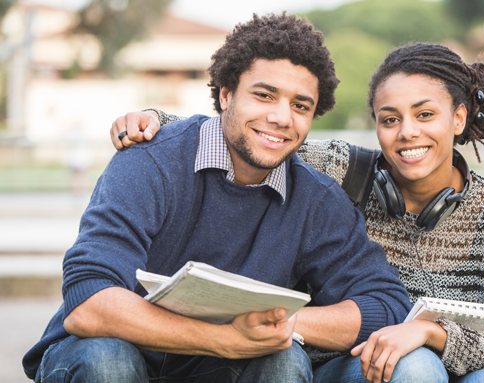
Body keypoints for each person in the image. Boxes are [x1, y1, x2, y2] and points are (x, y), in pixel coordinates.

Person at [112, 43, 484, 383]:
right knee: (415, 369)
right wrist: (153, 119)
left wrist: (433, 334)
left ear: (458, 117)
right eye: (389, 119)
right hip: (343, 364)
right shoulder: (342, 168)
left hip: (446, 361)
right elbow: (260, 135)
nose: (407, 132)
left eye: (425, 115)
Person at [23, 14, 414, 383]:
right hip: (107, 352)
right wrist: (223, 337)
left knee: (284, 356)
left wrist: (281, 324)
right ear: (226, 94)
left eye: (300, 106)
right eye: (264, 95)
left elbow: (384, 302)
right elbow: (88, 302)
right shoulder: (149, 161)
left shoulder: (316, 199)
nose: (282, 117)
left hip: (222, 369)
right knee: (108, 357)